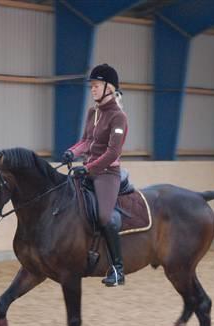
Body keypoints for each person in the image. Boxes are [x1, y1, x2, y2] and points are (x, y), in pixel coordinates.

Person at [61, 63, 128, 287]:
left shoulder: (118, 117)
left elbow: (112, 153)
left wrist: (88, 168)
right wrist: (72, 151)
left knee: (103, 217)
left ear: (109, 88)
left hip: (107, 174)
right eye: (91, 86)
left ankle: (118, 269)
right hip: (87, 169)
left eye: (96, 85)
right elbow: (86, 141)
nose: (93, 89)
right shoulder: (93, 113)